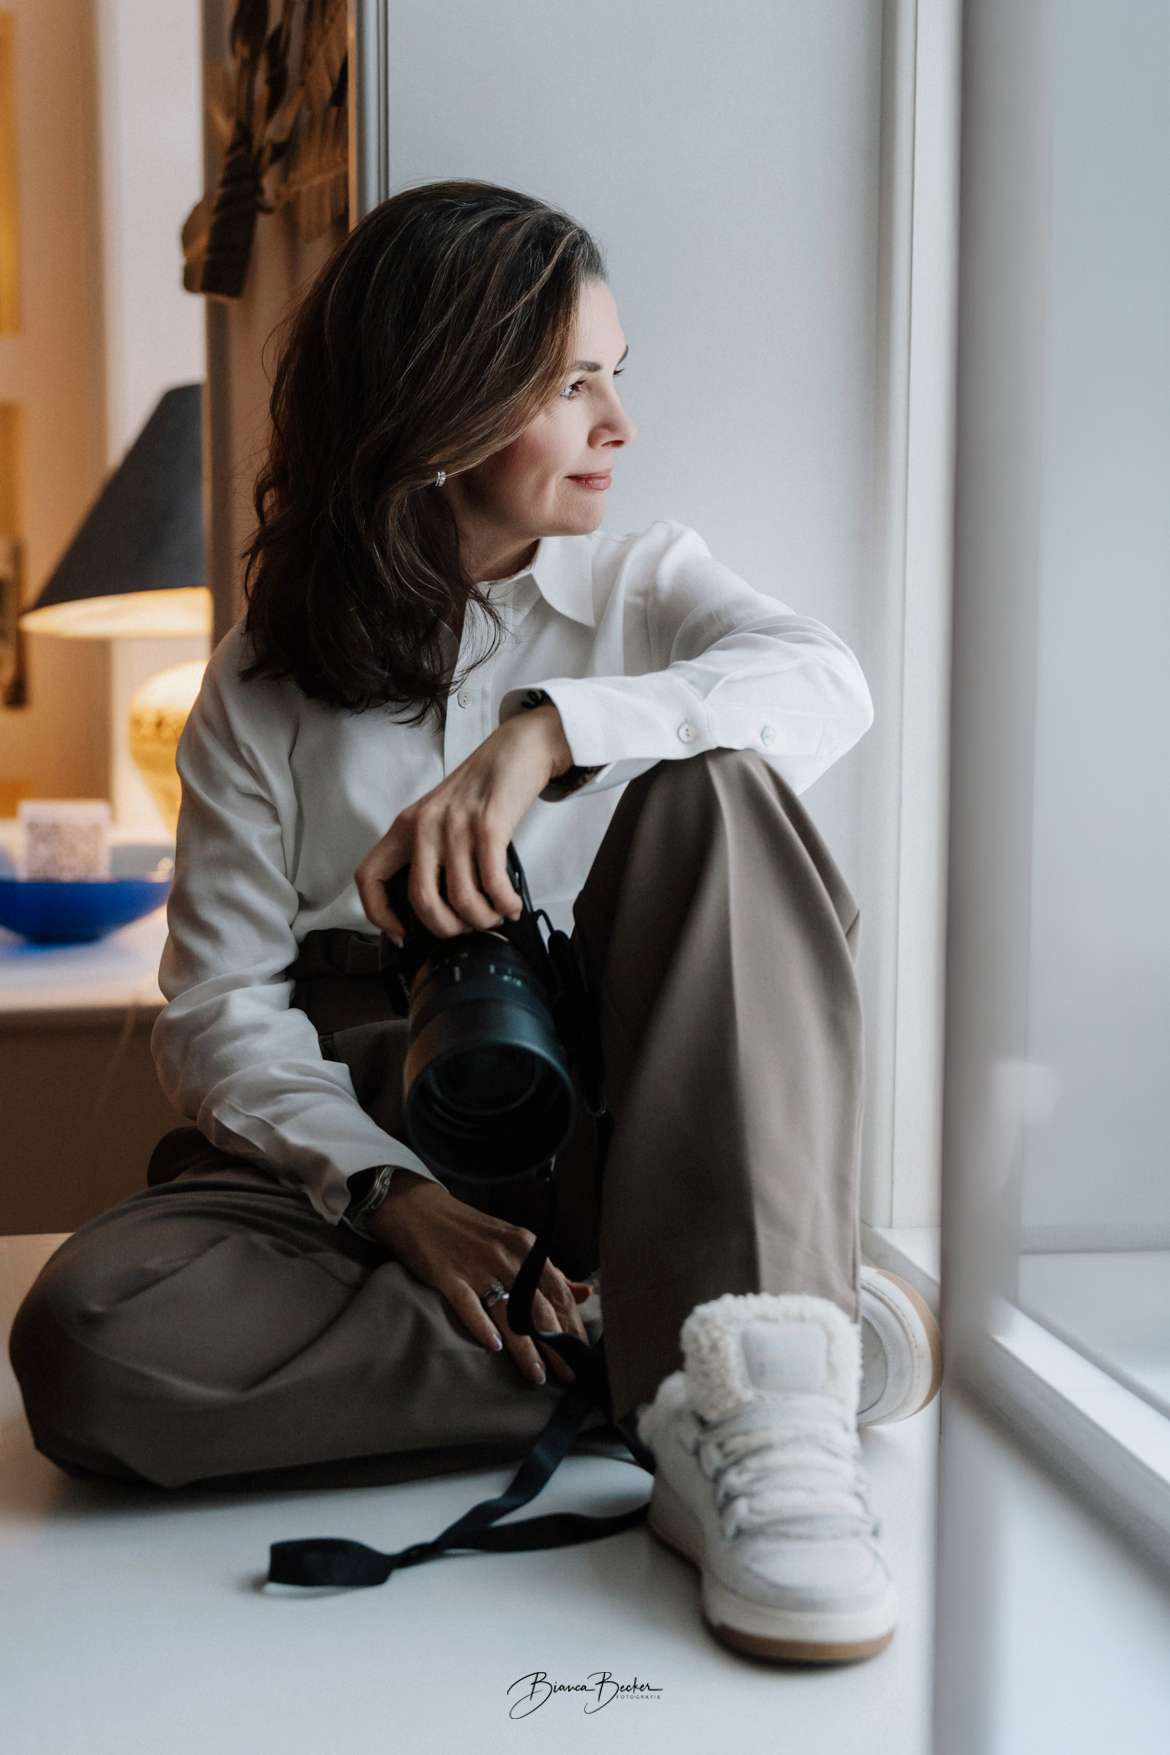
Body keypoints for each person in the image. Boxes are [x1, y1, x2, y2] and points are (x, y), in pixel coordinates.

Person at [9, 180, 940, 1665]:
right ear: (439, 408)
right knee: (92, 1345)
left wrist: (544, 736)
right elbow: (218, 1013)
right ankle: (741, 1344)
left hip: (615, 1113)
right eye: (572, 385)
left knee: (721, 793)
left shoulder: (642, 584)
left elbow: (827, 683)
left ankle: (759, 1405)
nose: (618, 426)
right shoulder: (261, 683)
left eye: (613, 376)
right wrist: (391, 1199)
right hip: (376, 1121)